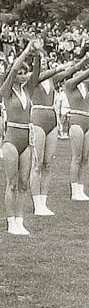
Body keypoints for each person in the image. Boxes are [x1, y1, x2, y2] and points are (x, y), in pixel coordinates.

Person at [0, 40, 38, 236]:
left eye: (25, 72)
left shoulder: (27, 90)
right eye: (20, 72)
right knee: (12, 182)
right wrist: (26, 51)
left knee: (24, 183)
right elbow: (13, 69)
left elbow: (37, 73)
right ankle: (10, 220)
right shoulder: (6, 90)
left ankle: (20, 219)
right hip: (11, 138)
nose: (22, 75)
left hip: (26, 139)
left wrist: (38, 53)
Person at [29, 56, 66, 217]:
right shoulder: (33, 79)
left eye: (45, 61)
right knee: (37, 163)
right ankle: (37, 203)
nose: (44, 63)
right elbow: (39, 76)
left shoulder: (52, 80)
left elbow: (68, 72)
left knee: (48, 164)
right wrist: (57, 69)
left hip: (52, 119)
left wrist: (81, 62)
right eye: (41, 61)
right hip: (37, 119)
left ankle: (43, 202)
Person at [63, 50, 89, 200]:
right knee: (77, 156)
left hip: (87, 121)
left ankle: (80, 188)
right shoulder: (69, 84)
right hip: (77, 122)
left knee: (85, 158)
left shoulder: (86, 86)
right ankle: (74, 189)